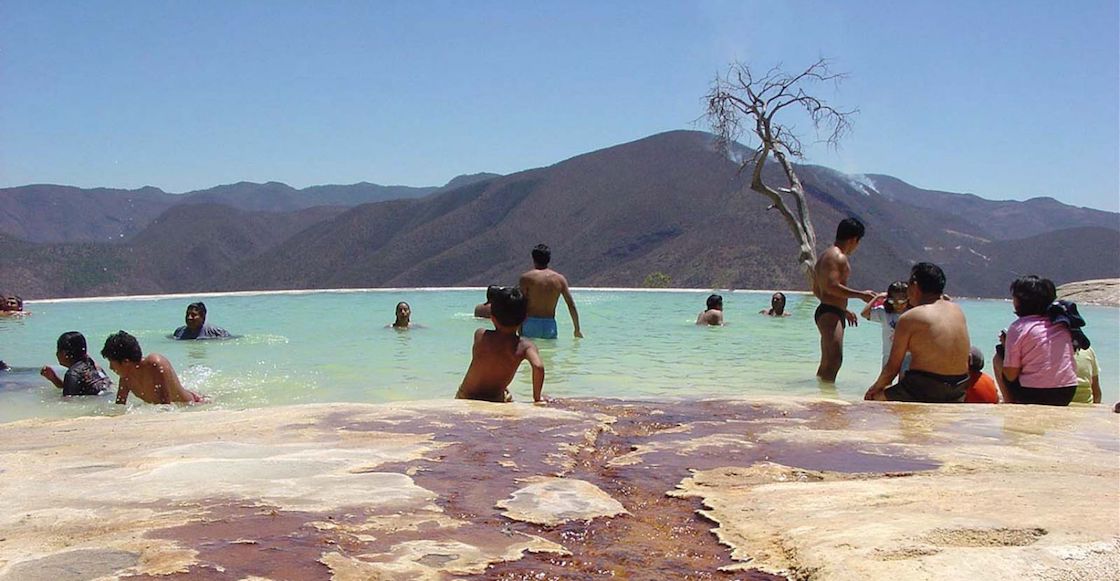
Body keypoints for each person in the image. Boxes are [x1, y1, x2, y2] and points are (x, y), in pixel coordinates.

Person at [865, 262, 971, 403]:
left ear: (915, 286)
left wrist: (874, 389)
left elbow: (892, 367)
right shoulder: (957, 311)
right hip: (958, 388)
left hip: (924, 388)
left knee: (875, 399)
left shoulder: (910, 317)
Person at [993, 276, 1077, 406]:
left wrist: (1006, 346)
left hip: (1034, 394)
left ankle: (1010, 403)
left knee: (998, 357)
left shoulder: (1019, 327)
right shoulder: (1062, 323)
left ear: (1020, 300)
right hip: (1066, 392)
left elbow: (1010, 375)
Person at [812, 218, 876, 382]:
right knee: (834, 360)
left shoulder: (826, 255)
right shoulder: (836, 256)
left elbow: (817, 289)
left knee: (828, 360)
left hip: (830, 311)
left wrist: (843, 309)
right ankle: (826, 401)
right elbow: (831, 287)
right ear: (854, 239)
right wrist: (861, 295)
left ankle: (820, 395)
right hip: (829, 313)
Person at [456, 287, 545, 403]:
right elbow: (538, 367)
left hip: (466, 395)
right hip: (495, 398)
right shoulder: (525, 346)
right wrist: (537, 398)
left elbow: (486, 362)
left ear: (492, 317)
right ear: (525, 318)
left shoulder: (480, 335)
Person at [101, 331, 206, 405]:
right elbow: (119, 405)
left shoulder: (155, 364)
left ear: (126, 362)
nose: (110, 367)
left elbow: (166, 406)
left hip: (193, 405)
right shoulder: (126, 376)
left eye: (111, 362)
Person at [519, 244, 583, 339]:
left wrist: (517, 327)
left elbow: (520, 304)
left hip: (530, 323)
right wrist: (577, 329)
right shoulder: (560, 279)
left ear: (533, 258)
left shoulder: (526, 278)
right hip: (550, 324)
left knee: (529, 352)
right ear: (549, 258)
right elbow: (571, 304)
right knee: (550, 352)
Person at [40, 331, 112, 396]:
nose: (56, 354)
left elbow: (68, 403)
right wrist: (54, 379)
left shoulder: (72, 374)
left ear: (64, 353)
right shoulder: (93, 365)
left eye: (58, 350)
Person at [861, 281, 912, 373]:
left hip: (908, 355)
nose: (897, 304)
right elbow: (864, 314)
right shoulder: (884, 313)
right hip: (889, 355)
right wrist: (877, 297)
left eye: (901, 301)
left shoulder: (913, 313)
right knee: (885, 384)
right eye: (892, 301)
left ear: (908, 298)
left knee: (904, 383)